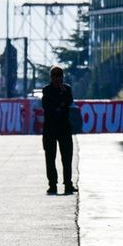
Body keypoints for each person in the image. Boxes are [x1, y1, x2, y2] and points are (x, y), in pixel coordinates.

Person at [41, 65, 76, 195]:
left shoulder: (67, 89)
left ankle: (68, 183)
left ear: (62, 77)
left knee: (67, 158)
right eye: (54, 75)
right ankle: (52, 184)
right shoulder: (46, 90)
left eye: (58, 75)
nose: (56, 78)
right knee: (50, 158)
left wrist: (62, 93)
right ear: (50, 77)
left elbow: (68, 102)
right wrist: (60, 103)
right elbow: (47, 105)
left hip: (64, 128)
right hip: (50, 128)